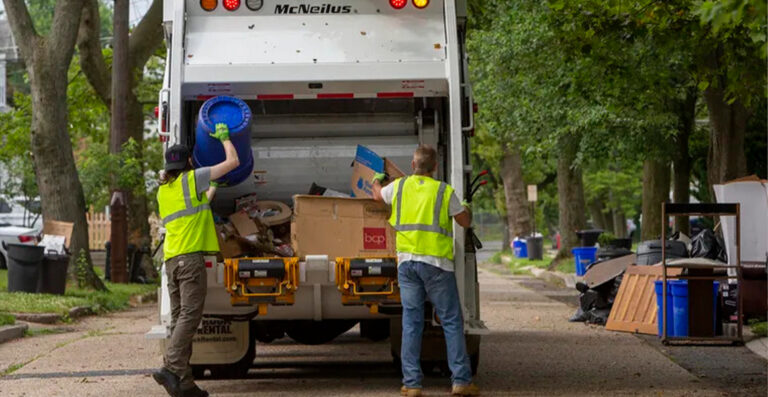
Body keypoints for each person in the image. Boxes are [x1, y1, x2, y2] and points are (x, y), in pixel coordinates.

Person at [372, 145, 479, 397]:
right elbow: (465, 221)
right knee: (451, 322)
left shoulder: (398, 187)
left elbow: (377, 195)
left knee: (411, 322)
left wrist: (376, 178)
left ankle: (412, 384)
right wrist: (464, 206)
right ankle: (461, 381)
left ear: (413, 166)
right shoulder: (443, 191)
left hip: (407, 263)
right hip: (437, 266)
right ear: (435, 167)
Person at [152, 123, 239, 397]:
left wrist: (211, 187)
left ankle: (185, 384)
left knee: (179, 318)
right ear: (189, 162)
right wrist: (225, 138)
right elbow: (233, 161)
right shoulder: (193, 178)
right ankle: (171, 366)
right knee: (190, 315)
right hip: (189, 261)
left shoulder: (164, 191)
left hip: (171, 261)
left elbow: (196, 207)